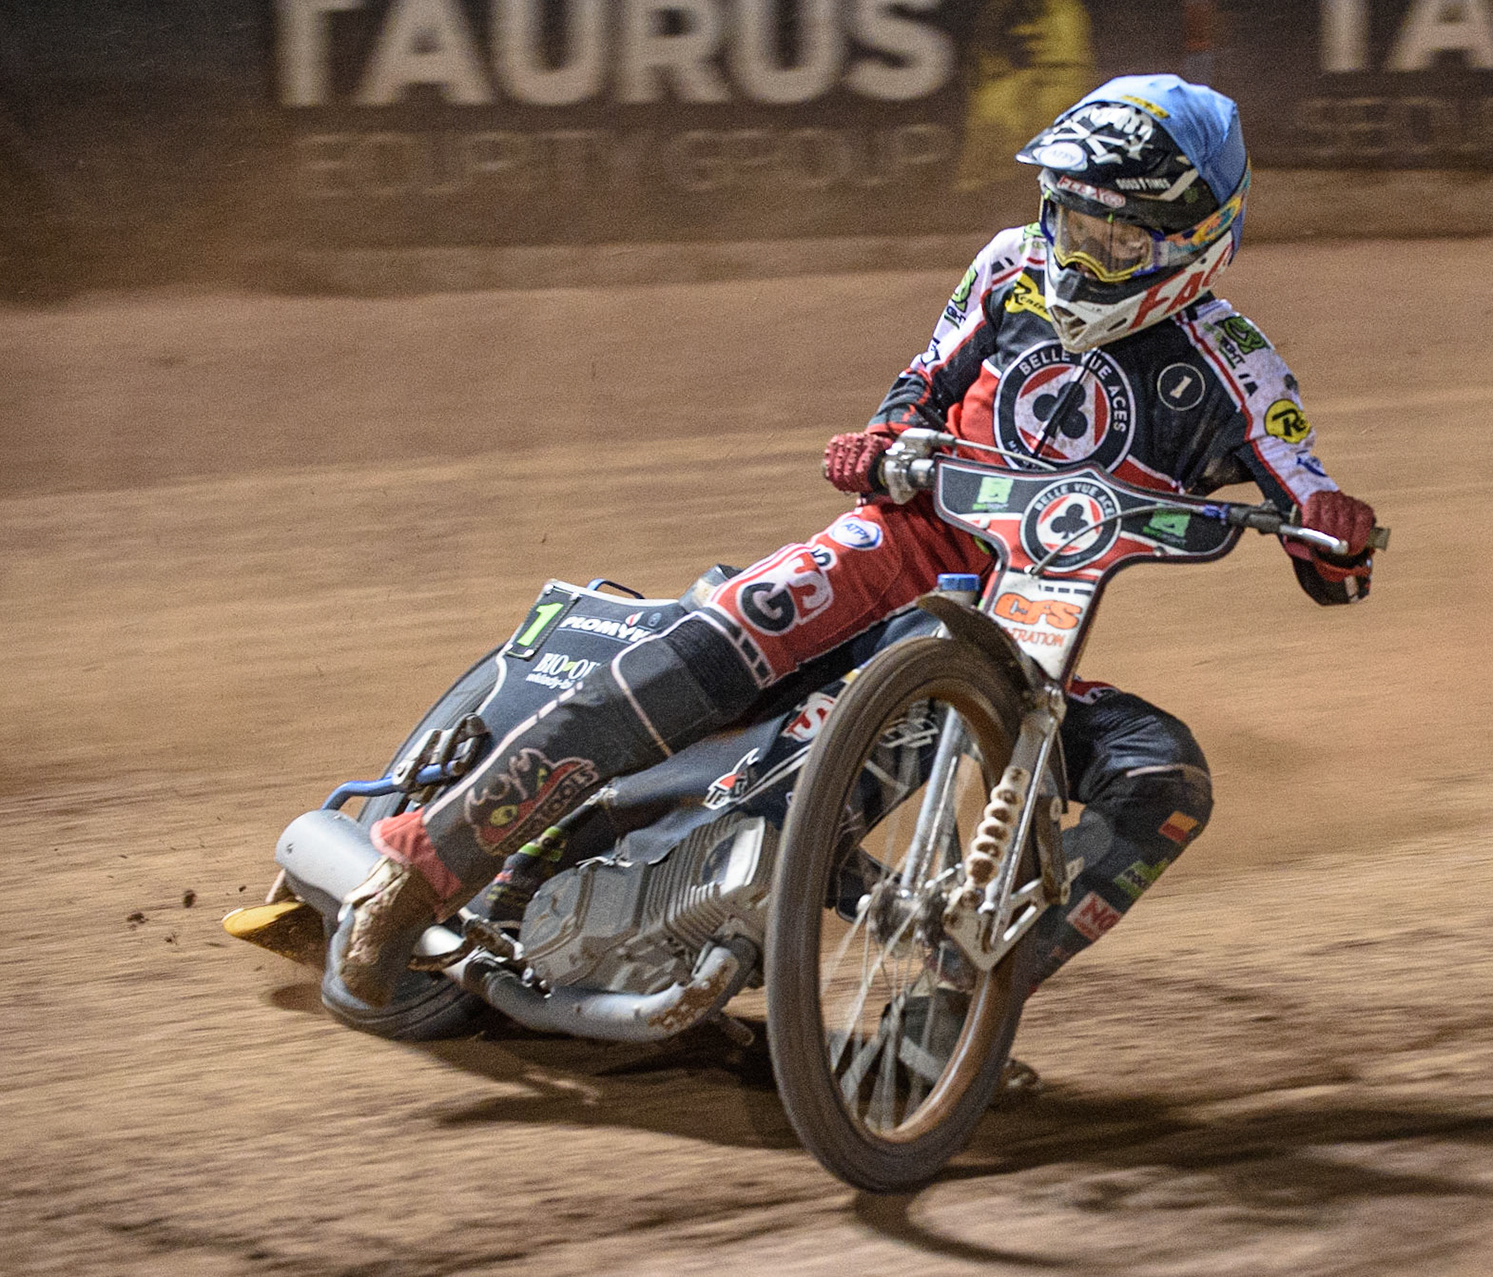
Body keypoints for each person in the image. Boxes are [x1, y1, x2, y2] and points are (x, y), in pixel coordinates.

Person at [330, 74, 1379, 1012]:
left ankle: (959, 1009)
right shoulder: (1009, 265)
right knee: (700, 653)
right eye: (1069, 219)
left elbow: (1319, 527)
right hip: (896, 542)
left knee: (1165, 781)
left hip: (1024, 634)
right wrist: (881, 437)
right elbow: (922, 380)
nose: (1077, 252)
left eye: (1114, 239)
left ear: (1198, 238)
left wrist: (1336, 532)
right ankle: (416, 874)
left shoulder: (1238, 366)